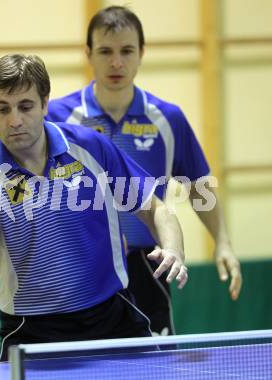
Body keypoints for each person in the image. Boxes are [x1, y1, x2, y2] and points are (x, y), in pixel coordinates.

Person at [0, 54, 188, 361]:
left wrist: (173, 248)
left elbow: (155, 209)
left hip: (113, 320)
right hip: (32, 331)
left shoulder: (90, 147)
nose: (15, 120)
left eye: (26, 106)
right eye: (2, 109)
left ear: (45, 103)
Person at [46, 6, 242, 336]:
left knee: (155, 365)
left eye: (127, 51)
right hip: (82, 268)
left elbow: (198, 187)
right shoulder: (58, 119)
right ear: (88, 54)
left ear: (142, 53)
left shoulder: (168, 119)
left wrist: (222, 242)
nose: (117, 63)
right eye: (106, 52)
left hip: (150, 266)